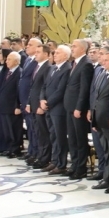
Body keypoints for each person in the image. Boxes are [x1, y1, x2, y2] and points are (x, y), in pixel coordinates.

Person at [89, 48, 109, 191]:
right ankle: (107, 178)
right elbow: (96, 96)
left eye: (106, 60)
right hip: (100, 118)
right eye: (102, 59)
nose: (103, 62)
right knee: (106, 151)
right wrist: (93, 114)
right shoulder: (102, 73)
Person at [63, 39, 93, 180]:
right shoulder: (74, 63)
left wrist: (79, 107)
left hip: (77, 108)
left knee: (80, 139)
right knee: (72, 139)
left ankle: (81, 168)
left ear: (82, 49)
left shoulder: (86, 64)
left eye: (74, 46)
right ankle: (74, 165)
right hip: (70, 106)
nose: (72, 48)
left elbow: (84, 89)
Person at [43, 44, 72, 174]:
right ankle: (54, 161)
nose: (54, 55)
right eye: (54, 53)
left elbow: (61, 90)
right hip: (49, 107)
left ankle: (61, 164)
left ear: (65, 55)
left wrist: (48, 103)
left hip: (58, 108)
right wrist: (42, 99)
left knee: (60, 137)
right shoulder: (53, 68)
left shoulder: (67, 69)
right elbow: (44, 86)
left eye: (58, 53)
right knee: (53, 136)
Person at [26, 45, 53, 169]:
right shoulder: (37, 66)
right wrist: (29, 103)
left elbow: (45, 88)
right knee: (37, 132)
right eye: (35, 52)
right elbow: (33, 87)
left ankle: (45, 158)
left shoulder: (48, 67)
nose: (35, 54)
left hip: (40, 106)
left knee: (43, 133)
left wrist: (41, 105)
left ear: (46, 54)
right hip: (33, 104)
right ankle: (39, 154)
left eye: (38, 52)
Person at [17, 39, 43, 162]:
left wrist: (29, 101)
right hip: (24, 99)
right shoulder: (28, 59)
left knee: (34, 128)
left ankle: (36, 152)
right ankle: (31, 150)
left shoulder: (38, 63)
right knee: (29, 127)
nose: (27, 46)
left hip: (31, 99)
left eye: (30, 45)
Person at [0, 52, 23, 157]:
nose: (6, 61)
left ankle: (15, 149)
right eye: (7, 59)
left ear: (16, 61)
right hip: (4, 105)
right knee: (6, 129)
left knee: (14, 129)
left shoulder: (19, 72)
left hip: (12, 106)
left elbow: (19, 91)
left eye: (9, 59)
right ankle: (8, 147)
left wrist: (18, 106)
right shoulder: (7, 72)